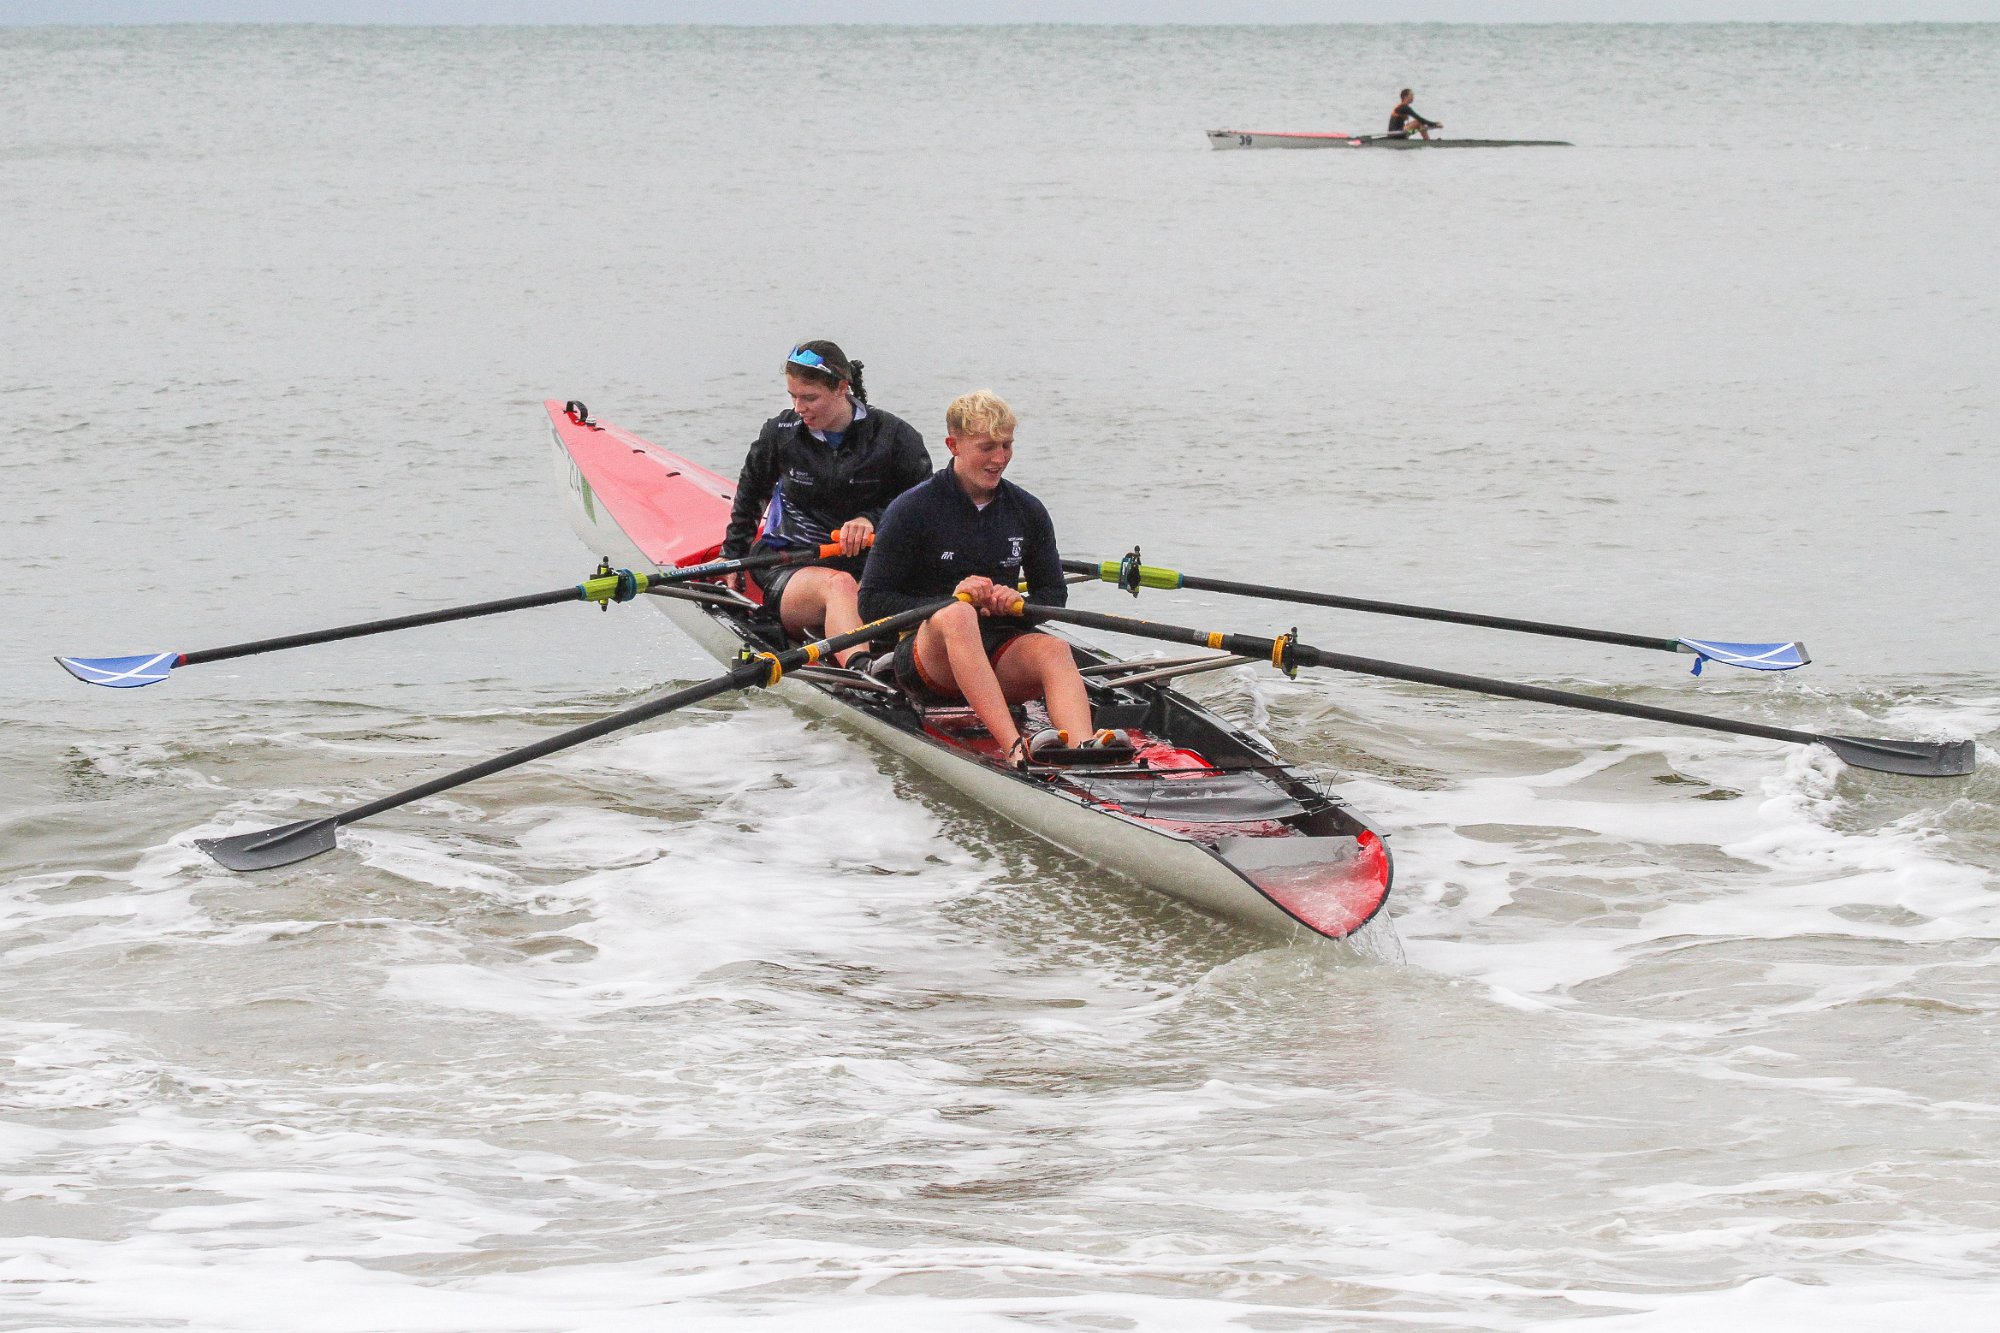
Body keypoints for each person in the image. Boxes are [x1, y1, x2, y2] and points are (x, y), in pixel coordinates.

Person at [858, 390, 1122, 769]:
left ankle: (1084, 748)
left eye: (1006, 445)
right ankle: (1015, 748)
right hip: (926, 660)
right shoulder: (912, 509)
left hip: (996, 651)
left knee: (1055, 650)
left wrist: (1013, 603)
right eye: (987, 447)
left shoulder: (1027, 510)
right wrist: (951, 599)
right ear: (954, 445)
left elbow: (1053, 595)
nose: (1000, 459)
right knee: (957, 616)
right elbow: (870, 603)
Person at [721, 340, 932, 666]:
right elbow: (750, 498)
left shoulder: (895, 437)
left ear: (841, 389)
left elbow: (923, 507)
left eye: (809, 398)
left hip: (869, 567)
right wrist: (733, 555)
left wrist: (871, 519)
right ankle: (862, 670)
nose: (798, 408)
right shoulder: (781, 433)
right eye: (793, 397)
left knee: (889, 591)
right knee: (840, 586)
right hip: (789, 563)